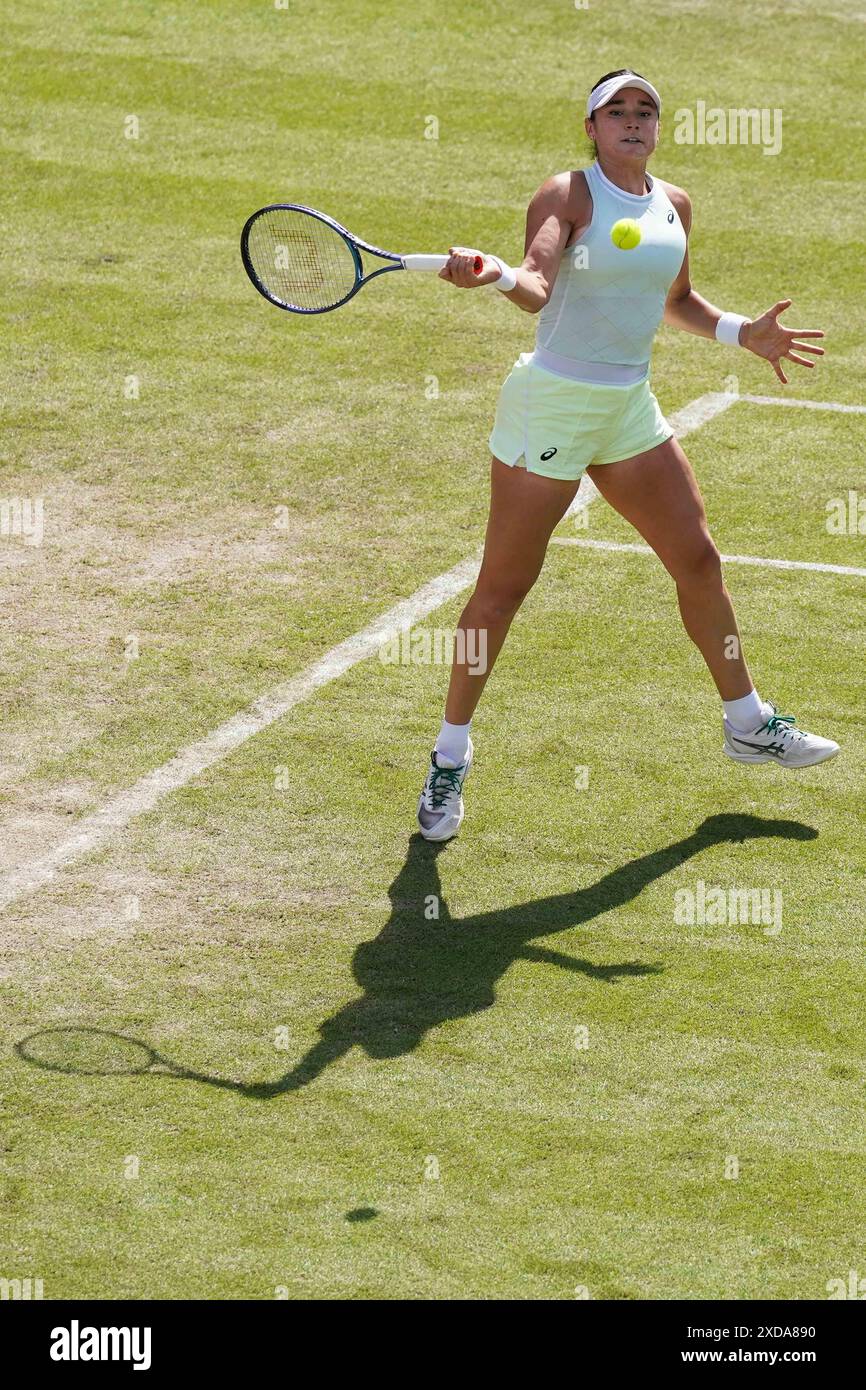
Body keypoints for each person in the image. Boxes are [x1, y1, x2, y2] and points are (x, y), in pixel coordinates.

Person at [417, 68, 838, 842]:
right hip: (553, 406)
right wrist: (496, 275)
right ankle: (450, 757)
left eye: (646, 111)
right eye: (619, 111)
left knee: (698, 560)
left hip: (627, 409)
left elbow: (675, 302)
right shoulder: (567, 194)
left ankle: (746, 722)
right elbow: (539, 286)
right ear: (592, 126)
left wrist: (743, 332)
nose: (635, 121)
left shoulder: (673, 205)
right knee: (502, 591)